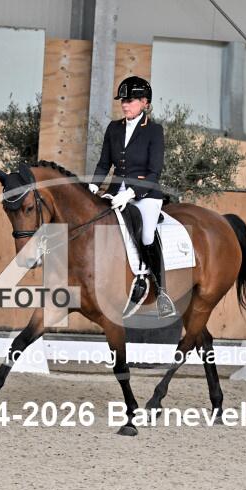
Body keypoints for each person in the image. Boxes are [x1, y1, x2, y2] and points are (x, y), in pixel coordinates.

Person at [88, 76, 176, 319]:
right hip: (117, 192)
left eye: (131, 101)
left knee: (146, 235)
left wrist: (131, 193)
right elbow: (104, 163)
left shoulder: (154, 131)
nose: (125, 105)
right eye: (123, 101)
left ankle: (160, 290)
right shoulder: (114, 128)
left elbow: (154, 172)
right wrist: (93, 187)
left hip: (145, 194)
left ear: (145, 102)